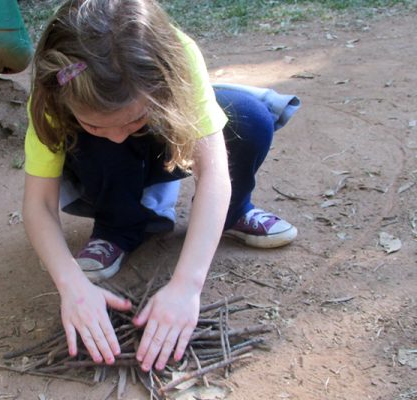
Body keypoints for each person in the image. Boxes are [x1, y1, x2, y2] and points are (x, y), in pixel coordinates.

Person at [22, 0, 298, 372]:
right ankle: (118, 227)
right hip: (94, 166)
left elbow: (214, 171)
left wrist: (186, 285)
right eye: (97, 124)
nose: (117, 136)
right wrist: (70, 283)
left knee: (249, 118)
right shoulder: (57, 89)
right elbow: (38, 203)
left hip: (165, 133)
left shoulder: (176, 55)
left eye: (131, 121)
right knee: (103, 146)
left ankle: (233, 213)